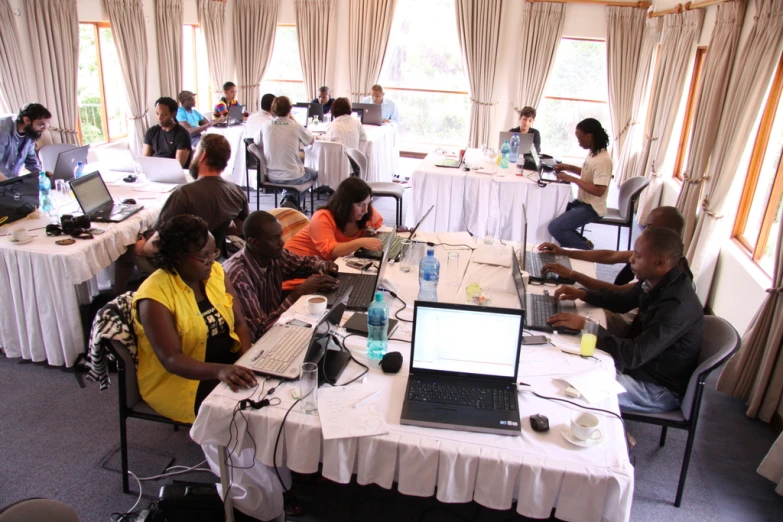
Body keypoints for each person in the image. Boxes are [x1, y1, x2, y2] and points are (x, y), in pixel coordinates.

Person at [548, 227, 703, 413]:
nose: (631, 260)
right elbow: (621, 302)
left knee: (571, 388)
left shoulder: (677, 305)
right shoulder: (656, 281)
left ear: (660, 262)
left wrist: (587, 326)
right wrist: (583, 293)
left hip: (656, 388)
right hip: (640, 366)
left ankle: (616, 436)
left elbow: (633, 356)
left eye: (637, 256)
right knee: (568, 360)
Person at [133, 215, 256, 424]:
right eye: (203, 256)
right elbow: (172, 360)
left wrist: (246, 361)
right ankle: (230, 455)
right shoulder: (154, 296)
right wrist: (221, 371)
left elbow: (240, 323)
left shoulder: (215, 272)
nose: (212, 261)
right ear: (177, 256)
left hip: (227, 365)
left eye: (214, 253)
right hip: (184, 382)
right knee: (249, 414)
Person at [115, 134, 249, 294]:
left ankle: (120, 298)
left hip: (179, 263)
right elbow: (240, 228)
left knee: (123, 251)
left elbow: (156, 245)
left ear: (203, 155)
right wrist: (212, 226)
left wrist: (140, 249)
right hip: (210, 257)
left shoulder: (184, 194)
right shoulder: (236, 191)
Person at [224, 211, 340, 341]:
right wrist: (297, 293)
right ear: (254, 242)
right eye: (274, 238)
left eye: (280, 236)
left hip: (276, 327)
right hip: (257, 342)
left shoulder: (274, 255)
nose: (282, 242)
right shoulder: (238, 278)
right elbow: (258, 332)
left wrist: (322, 266)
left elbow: (303, 264)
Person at [539, 206, 686, 292]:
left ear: (668, 232)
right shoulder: (655, 252)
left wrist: (572, 274)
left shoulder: (665, 269)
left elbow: (618, 293)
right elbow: (611, 256)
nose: (644, 230)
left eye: (650, 227)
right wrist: (564, 252)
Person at [547, 118, 612, 250]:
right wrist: (569, 167)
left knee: (555, 227)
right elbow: (588, 173)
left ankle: (585, 250)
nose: (578, 142)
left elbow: (599, 191)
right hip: (582, 202)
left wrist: (573, 179)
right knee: (551, 211)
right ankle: (581, 242)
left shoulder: (603, 160)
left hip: (592, 208)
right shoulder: (594, 153)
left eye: (580, 138)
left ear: (589, 136)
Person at [285, 177, 383, 260]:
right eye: (360, 205)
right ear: (345, 204)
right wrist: (361, 242)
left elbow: (378, 221)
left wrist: (369, 230)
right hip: (295, 263)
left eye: (368, 203)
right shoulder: (323, 217)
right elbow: (330, 251)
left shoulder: (365, 212)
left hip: (321, 266)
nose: (365, 210)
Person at [257, 96, 317, 209]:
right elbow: (311, 140)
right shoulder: (295, 126)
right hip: (293, 176)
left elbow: (256, 142)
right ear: (290, 109)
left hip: (271, 176)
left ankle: (289, 200)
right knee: (313, 173)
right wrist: (293, 120)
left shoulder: (265, 126)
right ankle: (292, 202)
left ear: (273, 109)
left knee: (293, 179)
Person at [0, 103, 51, 181]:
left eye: (46, 125)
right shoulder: (2, 131)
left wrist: (42, 177)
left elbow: (31, 161)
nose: (44, 129)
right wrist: (16, 181)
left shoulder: (30, 133)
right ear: (26, 120)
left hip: (10, 182)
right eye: (41, 125)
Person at [143, 97, 192, 167]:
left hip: (172, 172)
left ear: (173, 114)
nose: (159, 118)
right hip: (153, 169)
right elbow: (145, 159)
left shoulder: (182, 134)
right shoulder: (151, 131)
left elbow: (179, 165)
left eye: (163, 115)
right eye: (157, 113)